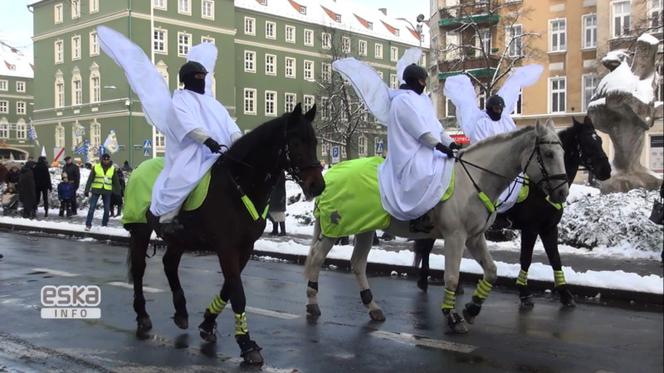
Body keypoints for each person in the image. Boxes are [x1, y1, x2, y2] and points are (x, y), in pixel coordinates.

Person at [149, 59, 242, 236]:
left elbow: (228, 123)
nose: (201, 80)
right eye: (198, 77)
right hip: (192, 150)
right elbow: (186, 123)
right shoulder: (179, 100)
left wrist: (238, 140)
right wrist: (206, 140)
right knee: (183, 176)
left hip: (221, 149)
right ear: (188, 79)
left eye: (203, 77)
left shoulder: (213, 103)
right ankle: (168, 217)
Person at [444, 64, 544, 220]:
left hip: (508, 161)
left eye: (500, 109)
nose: (498, 112)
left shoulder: (506, 121)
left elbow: (513, 138)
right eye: (496, 109)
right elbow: (483, 144)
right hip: (488, 164)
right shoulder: (482, 123)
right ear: (490, 108)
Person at [379, 63, 459, 232]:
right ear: (415, 81)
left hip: (427, 150)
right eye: (423, 80)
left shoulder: (422, 100)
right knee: (425, 173)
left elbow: (436, 127)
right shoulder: (402, 100)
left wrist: (450, 142)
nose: (424, 84)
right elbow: (421, 132)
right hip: (410, 154)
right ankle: (418, 217)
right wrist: (440, 147)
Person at [84, 154, 120, 231]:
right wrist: (86, 190)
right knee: (92, 208)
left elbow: (116, 182)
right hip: (96, 189)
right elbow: (90, 179)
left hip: (107, 190)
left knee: (107, 210)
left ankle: (104, 225)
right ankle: (88, 225)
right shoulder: (96, 167)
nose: (106, 161)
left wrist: (118, 193)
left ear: (109, 160)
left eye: (107, 159)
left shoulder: (112, 169)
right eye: (104, 159)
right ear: (102, 159)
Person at [268, 171, 287, 236]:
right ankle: (275, 230)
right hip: (275, 196)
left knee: (280, 215)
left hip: (279, 196)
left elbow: (278, 183)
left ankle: (283, 231)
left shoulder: (280, 173)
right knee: (273, 215)